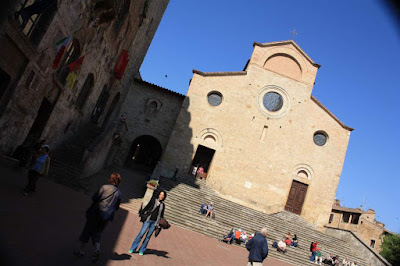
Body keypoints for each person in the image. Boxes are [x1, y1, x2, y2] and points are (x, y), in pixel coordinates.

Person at [74, 173, 122, 262]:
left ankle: (81, 250)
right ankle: (97, 250)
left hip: (96, 213)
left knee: (87, 230)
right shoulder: (119, 193)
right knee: (97, 233)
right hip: (106, 217)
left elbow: (95, 198)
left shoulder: (104, 187)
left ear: (110, 179)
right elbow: (117, 207)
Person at [129, 190, 167, 255]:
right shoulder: (153, 200)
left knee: (148, 237)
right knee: (141, 234)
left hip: (155, 223)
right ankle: (133, 248)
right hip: (148, 220)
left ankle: (142, 250)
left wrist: (160, 224)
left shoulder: (163, 205)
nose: (161, 196)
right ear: (158, 194)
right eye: (160, 194)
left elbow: (161, 215)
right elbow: (147, 206)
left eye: (163, 195)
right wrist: (142, 212)